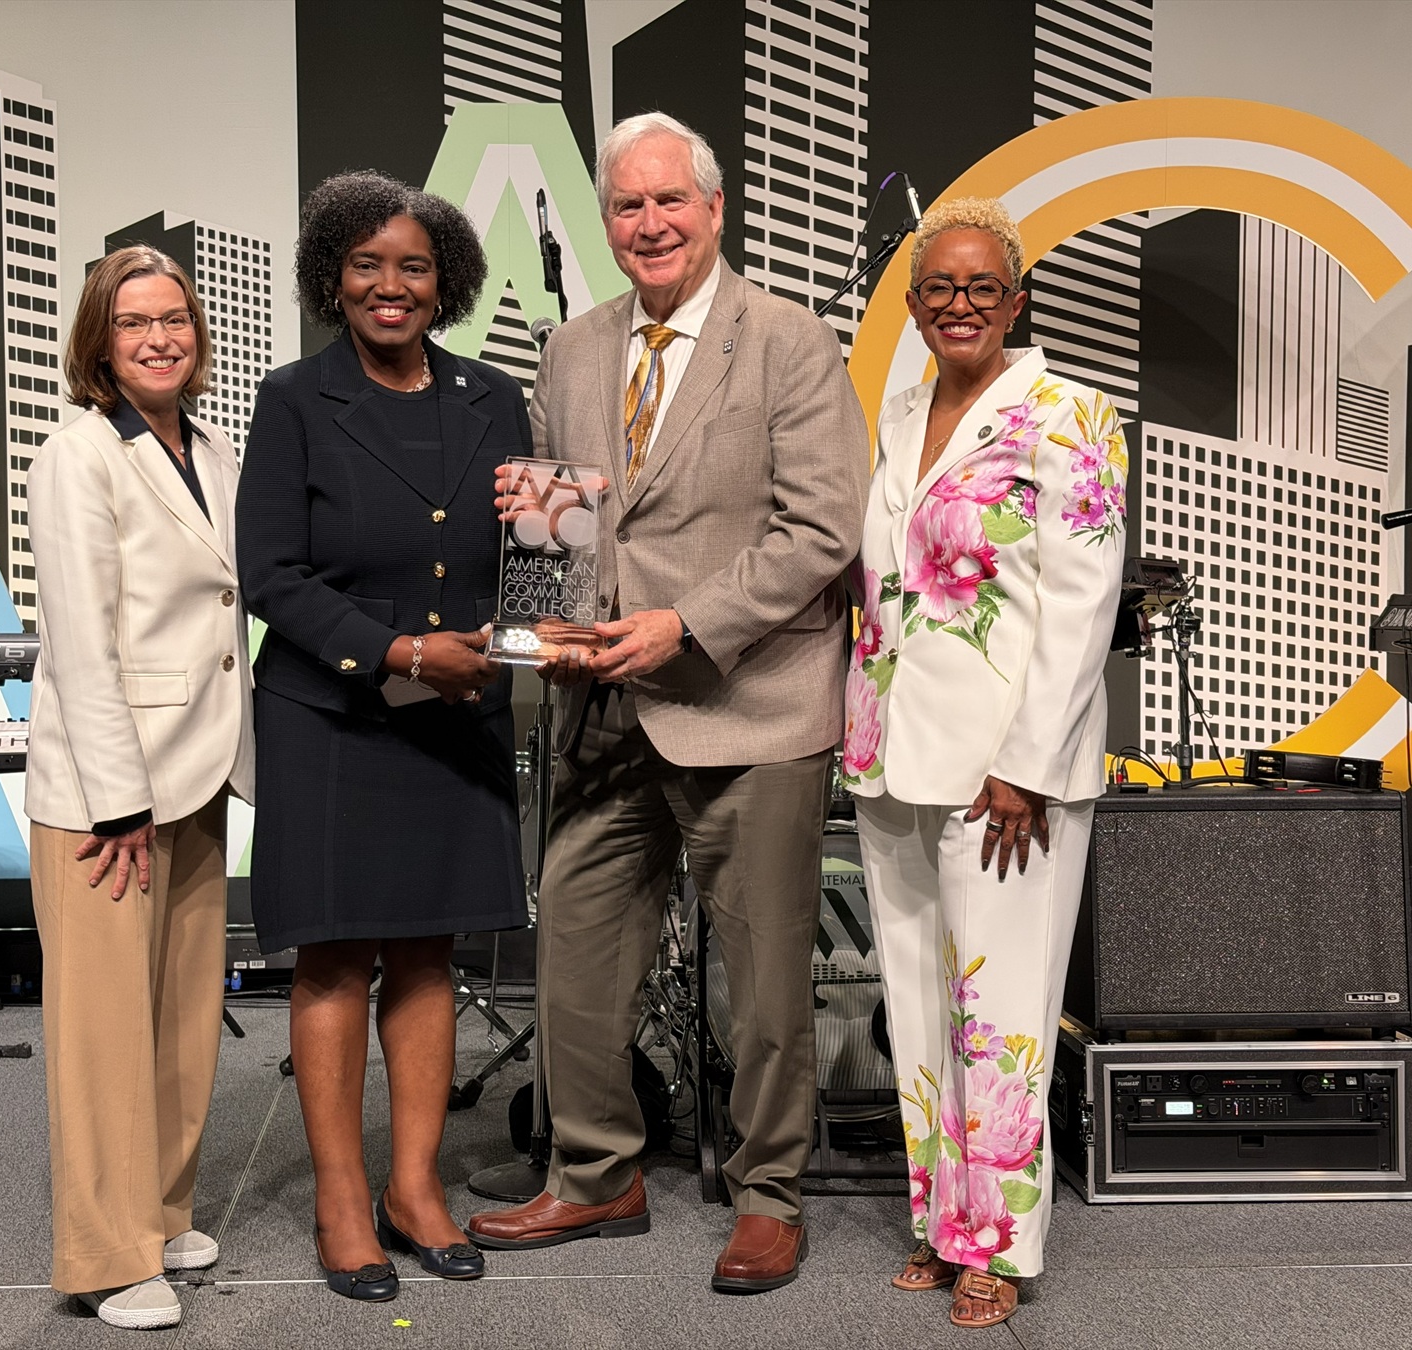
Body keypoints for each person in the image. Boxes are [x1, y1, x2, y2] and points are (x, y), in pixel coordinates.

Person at [467, 112, 868, 1294]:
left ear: (713, 209)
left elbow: (821, 531)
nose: (648, 225)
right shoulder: (575, 347)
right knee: (578, 961)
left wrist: (685, 627)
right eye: (627, 208)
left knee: (761, 982)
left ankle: (768, 1194)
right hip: (603, 709)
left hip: (750, 704)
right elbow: (575, 521)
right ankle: (597, 1177)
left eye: (668, 203)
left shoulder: (789, 341)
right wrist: (538, 571)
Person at [236, 172, 530, 1304]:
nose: (390, 286)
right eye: (367, 266)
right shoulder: (295, 400)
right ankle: (341, 1200)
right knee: (333, 957)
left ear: (444, 279)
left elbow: (533, 550)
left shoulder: (495, 397)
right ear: (332, 278)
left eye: (412, 266)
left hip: (459, 714)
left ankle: (415, 1189)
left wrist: (530, 628)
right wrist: (402, 653)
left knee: (426, 952)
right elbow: (271, 574)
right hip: (333, 715)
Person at [841, 197, 1126, 1329]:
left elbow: (1081, 603)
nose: (958, 305)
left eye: (981, 287)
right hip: (890, 754)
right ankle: (938, 1218)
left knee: (1001, 1014)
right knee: (913, 1000)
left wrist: (1029, 764)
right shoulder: (901, 406)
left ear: (1016, 300)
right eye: (937, 289)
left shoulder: (1072, 412)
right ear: (912, 307)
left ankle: (999, 1245)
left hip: (1008, 773)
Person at [26, 246, 255, 1330]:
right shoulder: (76, 454)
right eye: (134, 324)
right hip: (106, 798)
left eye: (175, 318)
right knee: (105, 1027)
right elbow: (79, 638)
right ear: (97, 342)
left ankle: (160, 1211)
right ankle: (106, 1253)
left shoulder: (210, 445)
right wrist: (118, 800)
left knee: (178, 1018)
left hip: (199, 771)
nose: (160, 337)